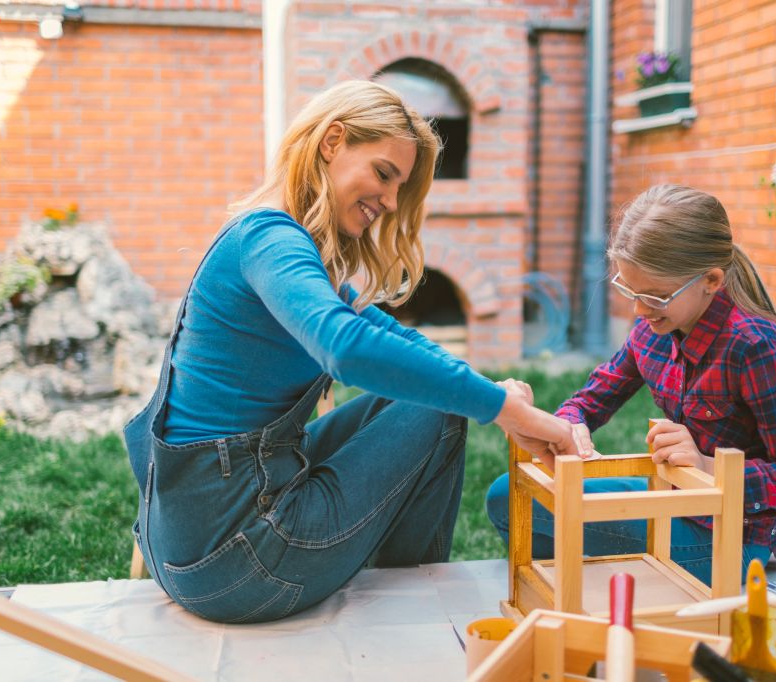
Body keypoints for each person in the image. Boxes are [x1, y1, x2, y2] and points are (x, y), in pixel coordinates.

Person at [123, 80, 576, 624]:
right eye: (384, 174)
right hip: (237, 564)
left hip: (193, 544)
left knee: (427, 392)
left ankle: (399, 581)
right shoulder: (272, 239)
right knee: (442, 404)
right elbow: (346, 347)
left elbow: (394, 338)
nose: (389, 202)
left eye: (399, 187)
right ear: (332, 141)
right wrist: (499, 409)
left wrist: (501, 399)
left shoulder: (273, 243)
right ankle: (413, 598)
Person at [485, 184, 776, 584]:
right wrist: (571, 424)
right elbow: (591, 399)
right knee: (507, 495)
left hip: (728, 537)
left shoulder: (757, 347)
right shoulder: (653, 328)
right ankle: (578, 586)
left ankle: (589, 591)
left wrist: (708, 468)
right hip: (674, 502)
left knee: (536, 509)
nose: (638, 309)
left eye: (655, 296)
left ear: (712, 279)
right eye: (629, 290)